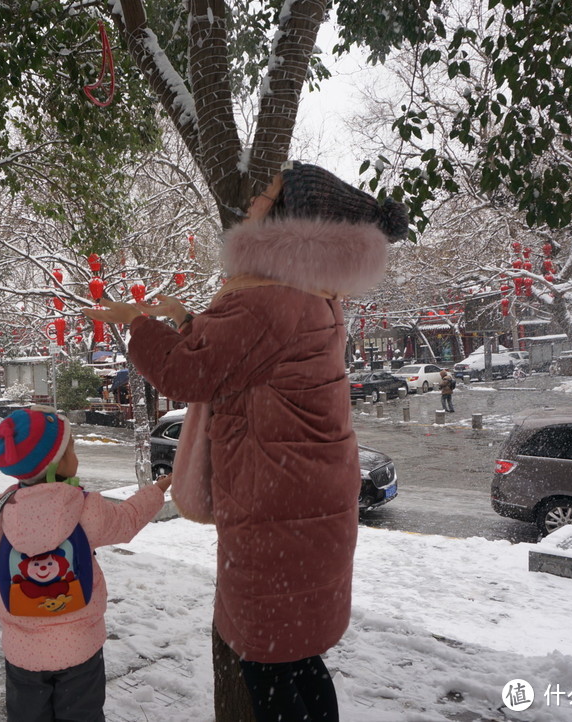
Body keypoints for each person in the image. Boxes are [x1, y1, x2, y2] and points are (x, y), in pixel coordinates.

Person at [84, 162, 408, 722]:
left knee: (269, 669)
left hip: (274, 518)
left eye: (268, 193)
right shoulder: (314, 295)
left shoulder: (265, 301)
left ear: (290, 216)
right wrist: (188, 318)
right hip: (308, 511)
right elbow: (245, 361)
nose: (254, 200)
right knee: (300, 661)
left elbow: (191, 372)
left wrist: (135, 321)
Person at [0, 407, 171, 722]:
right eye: (72, 448)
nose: (76, 454)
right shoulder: (83, 506)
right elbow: (127, 522)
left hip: (22, 649)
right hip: (80, 647)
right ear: (59, 463)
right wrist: (157, 490)